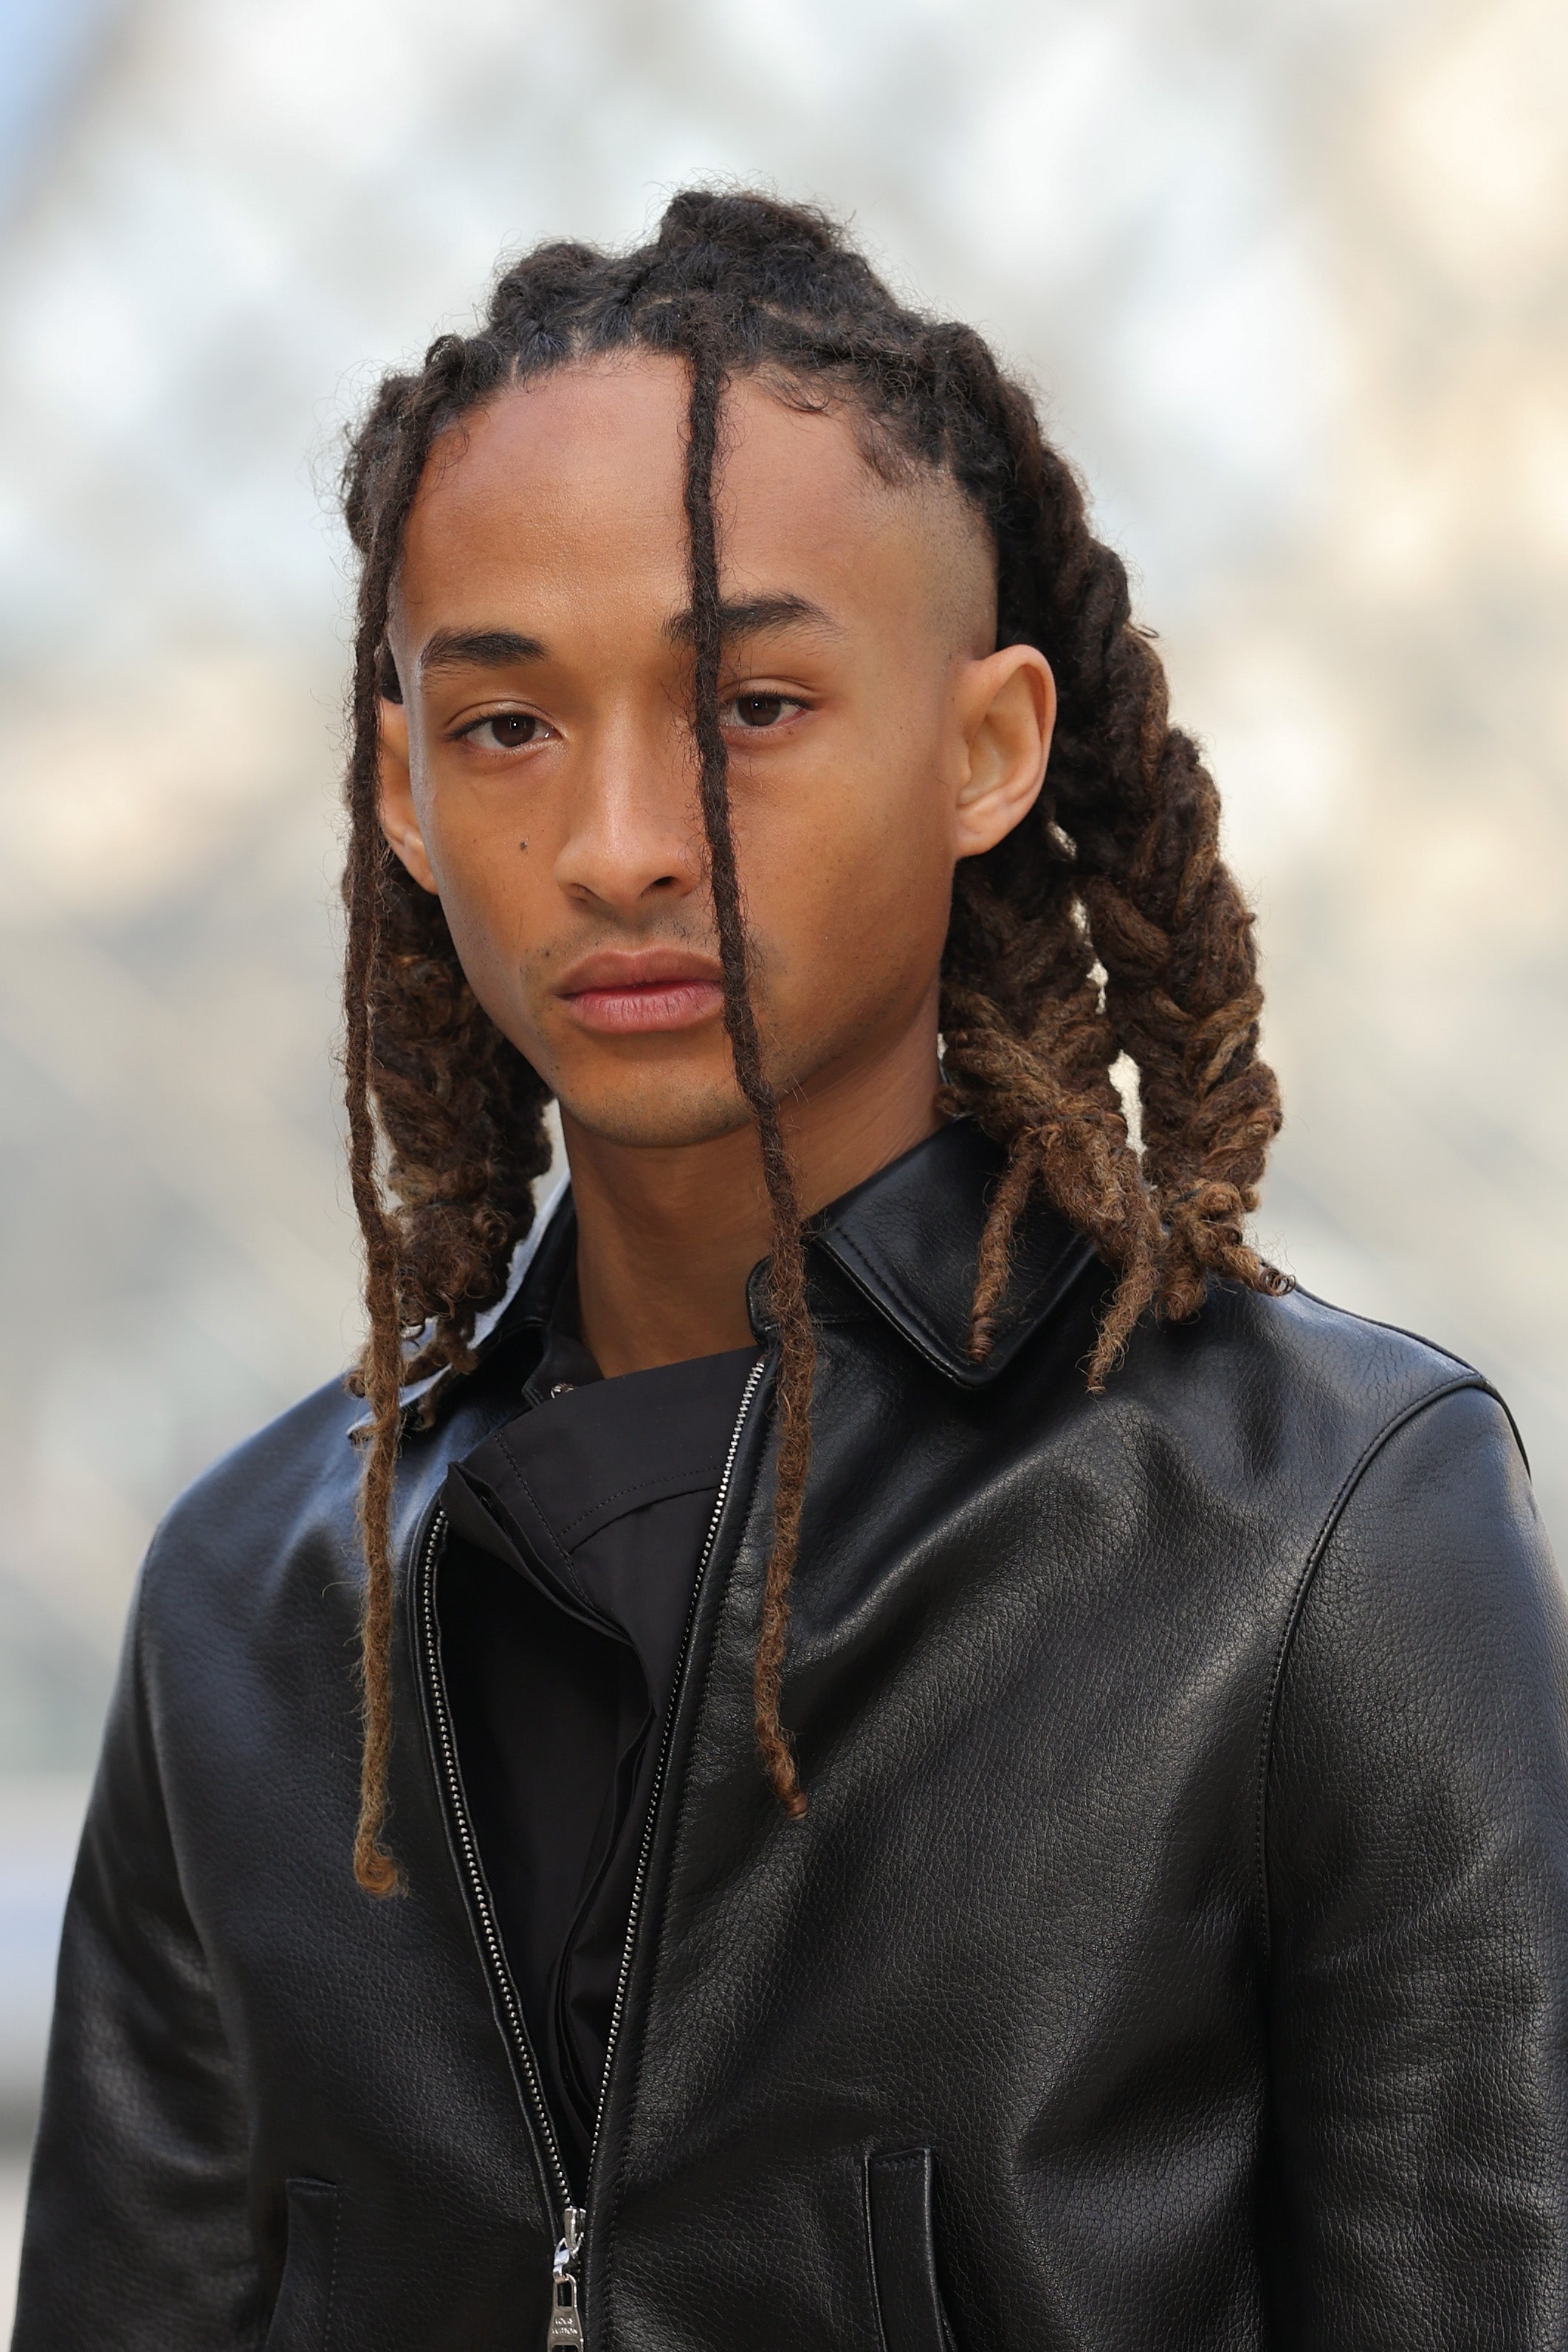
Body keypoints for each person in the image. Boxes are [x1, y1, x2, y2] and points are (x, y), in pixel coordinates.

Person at [13, 190, 1568, 2352]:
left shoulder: (1317, 1529)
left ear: (987, 747)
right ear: (399, 792)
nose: (621, 844)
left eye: (748, 705)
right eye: (505, 726)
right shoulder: (248, 1607)